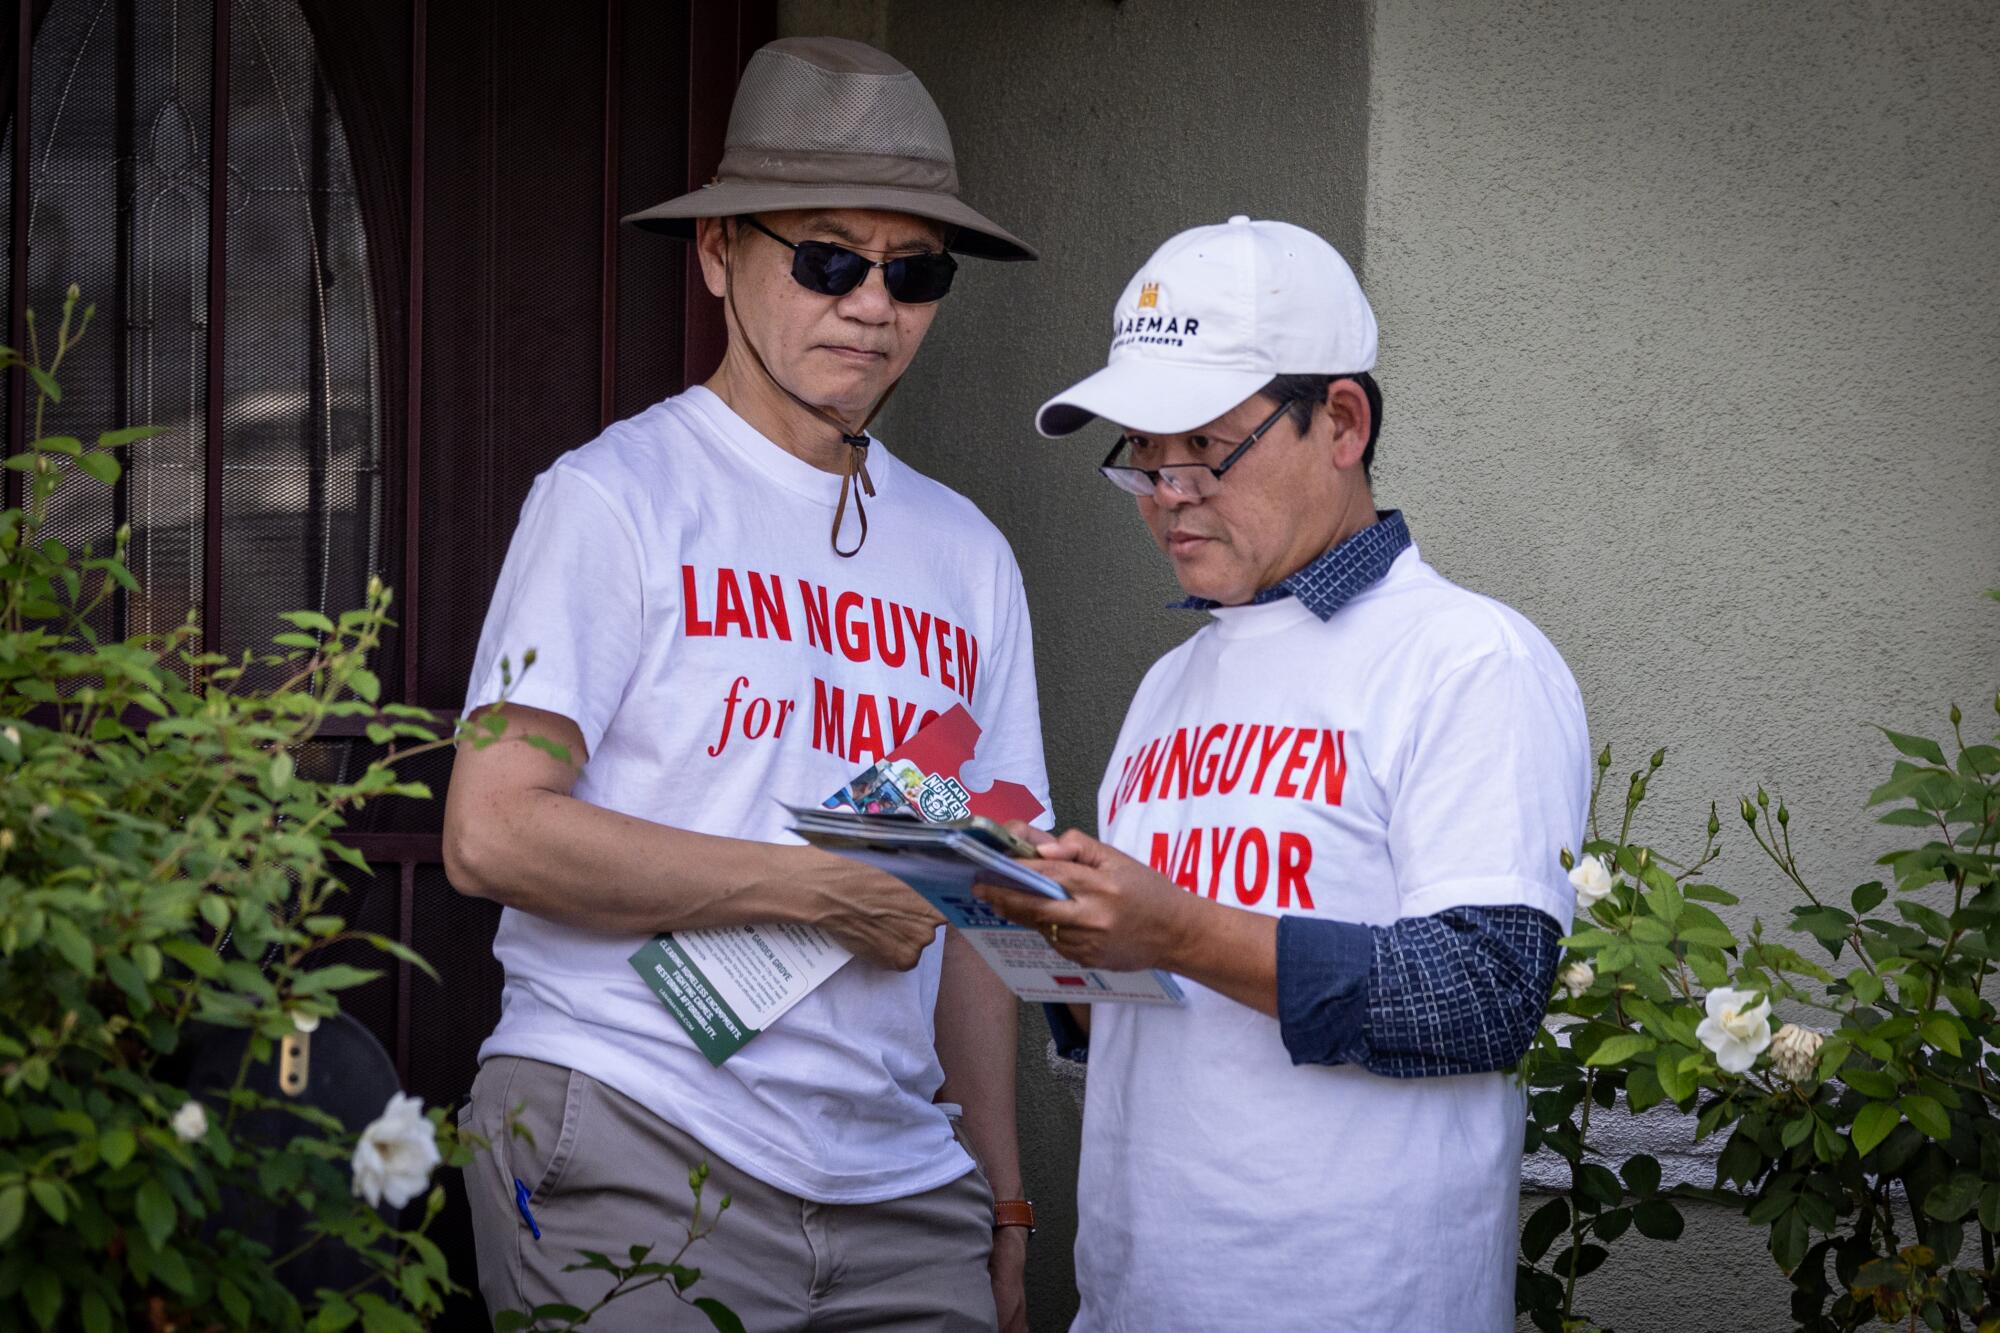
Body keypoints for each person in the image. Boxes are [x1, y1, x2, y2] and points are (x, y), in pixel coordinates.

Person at [442, 37, 1049, 1331]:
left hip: (904, 1190)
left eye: (914, 269)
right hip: (634, 1128)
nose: (871, 303)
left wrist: (1002, 1200)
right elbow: (491, 830)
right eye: (828, 258)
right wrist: (824, 889)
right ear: (721, 255)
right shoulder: (611, 499)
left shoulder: (970, 555)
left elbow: (981, 907)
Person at [975, 216, 1591, 1331]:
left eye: (1203, 447)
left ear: (1341, 420)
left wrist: (1169, 926)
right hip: (1137, 1296)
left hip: (1358, 1302)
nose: (1166, 491)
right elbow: (1158, 1011)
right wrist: (1046, 929)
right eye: (1140, 456)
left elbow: (1481, 996)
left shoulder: (1467, 657)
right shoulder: (1170, 684)